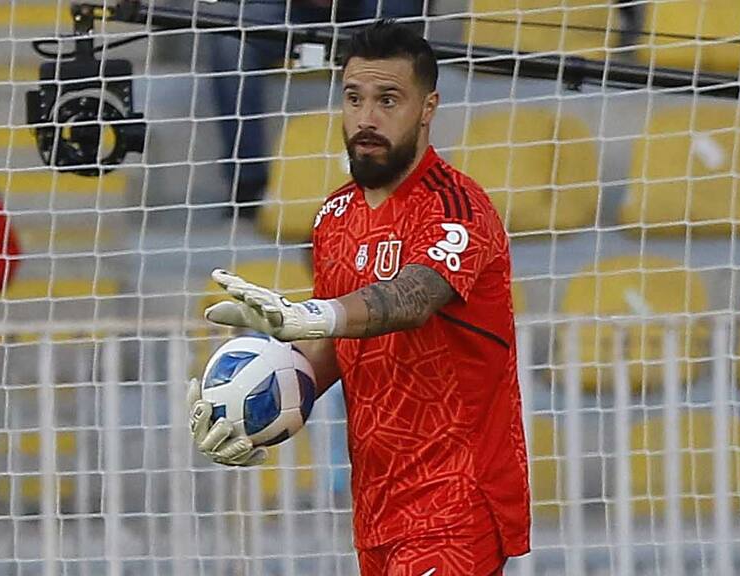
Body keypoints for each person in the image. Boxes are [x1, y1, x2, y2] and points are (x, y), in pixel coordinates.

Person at [189, 20, 530, 575]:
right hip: (377, 504)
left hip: (457, 498)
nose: (366, 118)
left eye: (388, 99)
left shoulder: (458, 207)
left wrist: (311, 314)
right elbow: (337, 345)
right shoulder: (335, 216)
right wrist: (252, 401)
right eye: (354, 98)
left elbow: (411, 297)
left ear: (427, 107)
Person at [205, 0, 424, 218]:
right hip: (295, 12)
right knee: (231, 39)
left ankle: (393, 179)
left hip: (372, 11)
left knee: (398, 28)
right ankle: (248, 182)